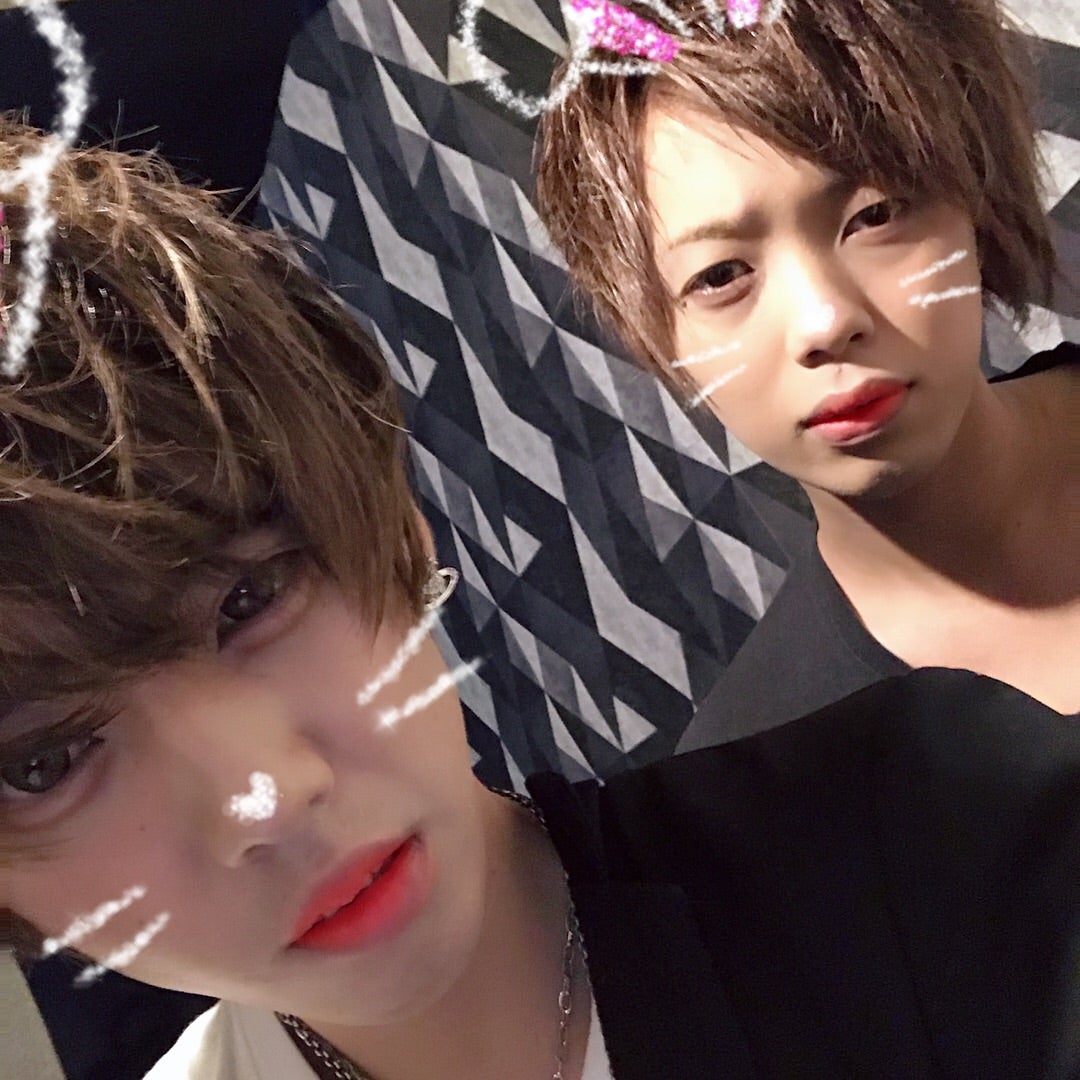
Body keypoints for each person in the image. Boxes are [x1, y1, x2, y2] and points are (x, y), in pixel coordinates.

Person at [0, 119, 1076, 1080]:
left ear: (396, 520)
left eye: (252, 598)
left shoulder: (939, 836)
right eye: (46, 762)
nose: (270, 798)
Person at [533, 0, 1078, 749]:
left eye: (875, 215)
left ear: (974, 198)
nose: (824, 321)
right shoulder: (758, 786)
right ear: (656, 338)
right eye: (720, 276)